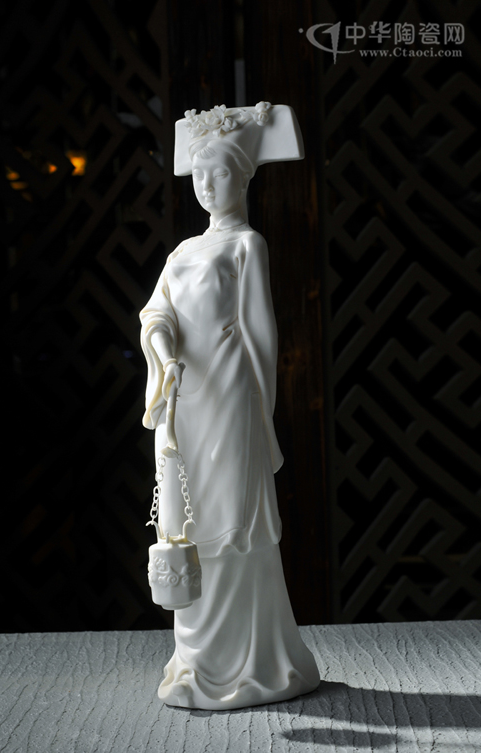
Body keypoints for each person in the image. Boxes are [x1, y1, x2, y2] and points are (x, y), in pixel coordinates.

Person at [140, 103, 320, 710]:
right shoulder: (181, 252)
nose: (207, 185)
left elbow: (261, 334)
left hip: (231, 403)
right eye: (198, 174)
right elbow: (157, 312)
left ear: (243, 178)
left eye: (219, 173)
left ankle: (250, 659)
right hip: (183, 402)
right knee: (185, 523)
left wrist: (260, 416)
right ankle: (195, 660)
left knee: (232, 521)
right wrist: (164, 353)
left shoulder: (247, 245)